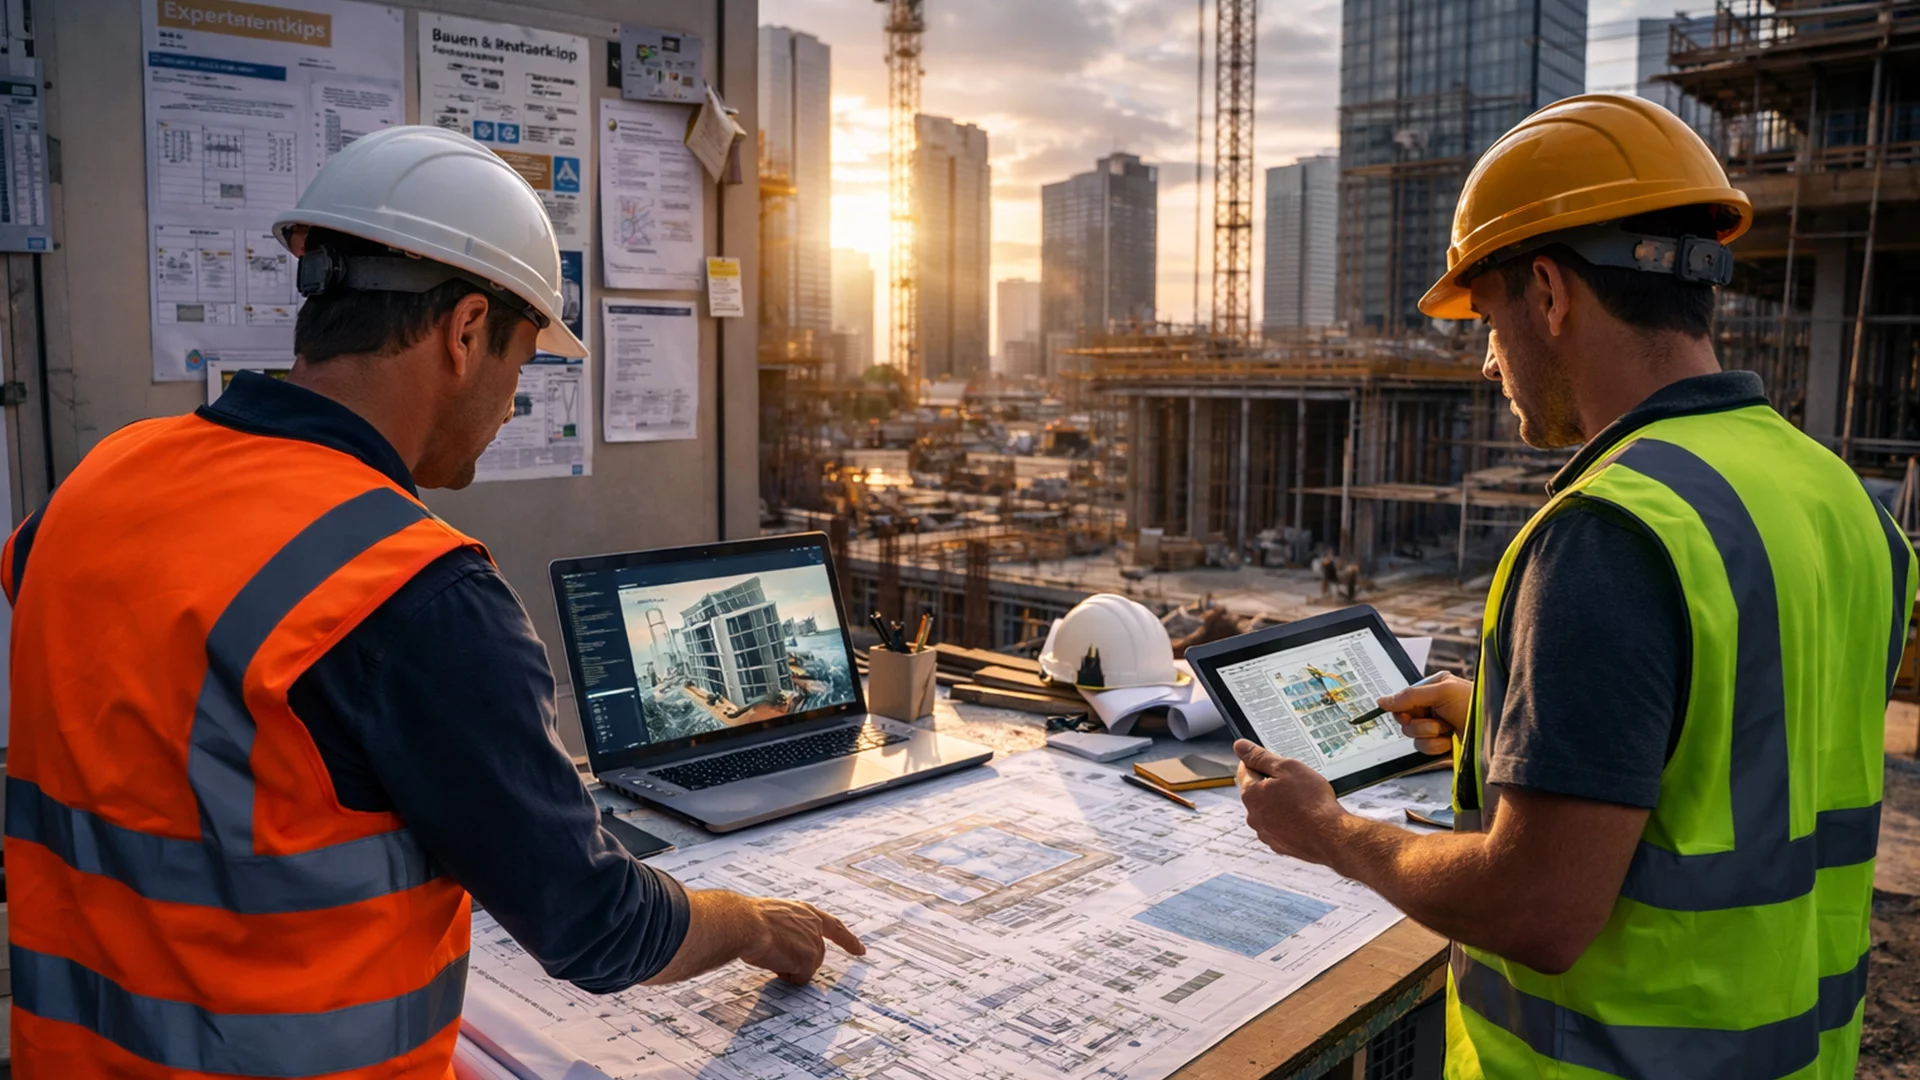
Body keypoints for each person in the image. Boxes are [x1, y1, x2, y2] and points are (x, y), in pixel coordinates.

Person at [1, 126, 862, 1077]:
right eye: (522, 365)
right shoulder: (411, 590)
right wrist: (746, 921)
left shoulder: (97, 482)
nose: (512, 406)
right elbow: (598, 924)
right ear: (463, 333)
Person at [1233, 94, 1914, 1078]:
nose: (1488, 359)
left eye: (1492, 315)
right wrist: (1506, 718)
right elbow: (1753, 745)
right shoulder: (1841, 499)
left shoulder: (1611, 532)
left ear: (1548, 292)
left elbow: (1537, 910)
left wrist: (1331, 832)